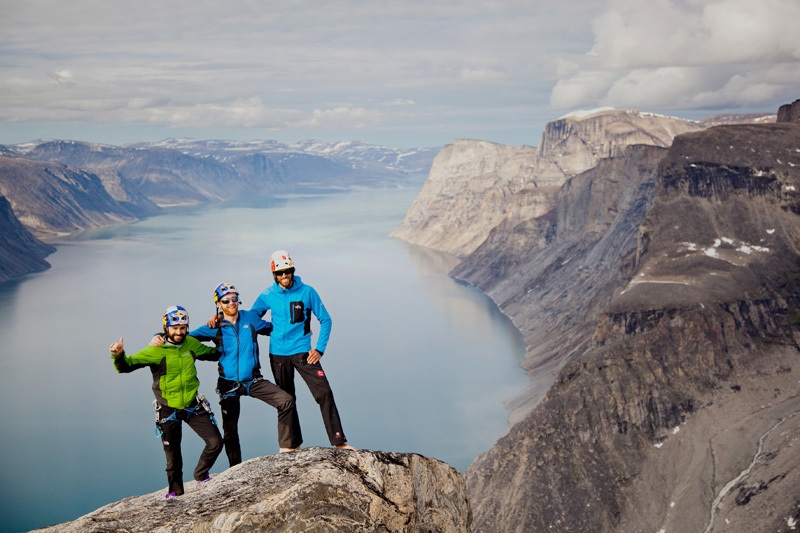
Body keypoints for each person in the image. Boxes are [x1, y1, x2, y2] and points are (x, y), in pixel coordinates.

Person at [109, 305, 223, 499]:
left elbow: (215, 354)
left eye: (183, 327)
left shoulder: (191, 344)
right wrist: (118, 355)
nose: (179, 332)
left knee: (215, 442)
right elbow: (126, 366)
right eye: (175, 328)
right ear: (166, 328)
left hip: (192, 404)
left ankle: (200, 473)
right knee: (173, 457)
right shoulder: (155, 350)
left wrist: (219, 330)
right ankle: (175, 493)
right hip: (167, 408)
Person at [185, 282, 302, 463]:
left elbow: (276, 328)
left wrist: (302, 328)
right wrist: (158, 336)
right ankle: (235, 469)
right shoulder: (213, 326)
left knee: (286, 401)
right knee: (230, 431)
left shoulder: (250, 318)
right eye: (226, 300)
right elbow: (182, 337)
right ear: (218, 304)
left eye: (234, 298)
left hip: (253, 380)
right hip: (228, 385)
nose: (231, 303)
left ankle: (286, 448)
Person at [251, 250, 355, 450]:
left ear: (292, 270)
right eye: (280, 273)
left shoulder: (307, 292)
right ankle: (291, 445)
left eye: (287, 271)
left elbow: (326, 320)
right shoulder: (267, 295)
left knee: (324, 392)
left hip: (303, 353)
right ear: (274, 274)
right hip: (278, 355)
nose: (284, 276)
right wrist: (270, 329)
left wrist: (320, 349)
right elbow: (252, 319)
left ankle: (339, 441)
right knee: (286, 399)